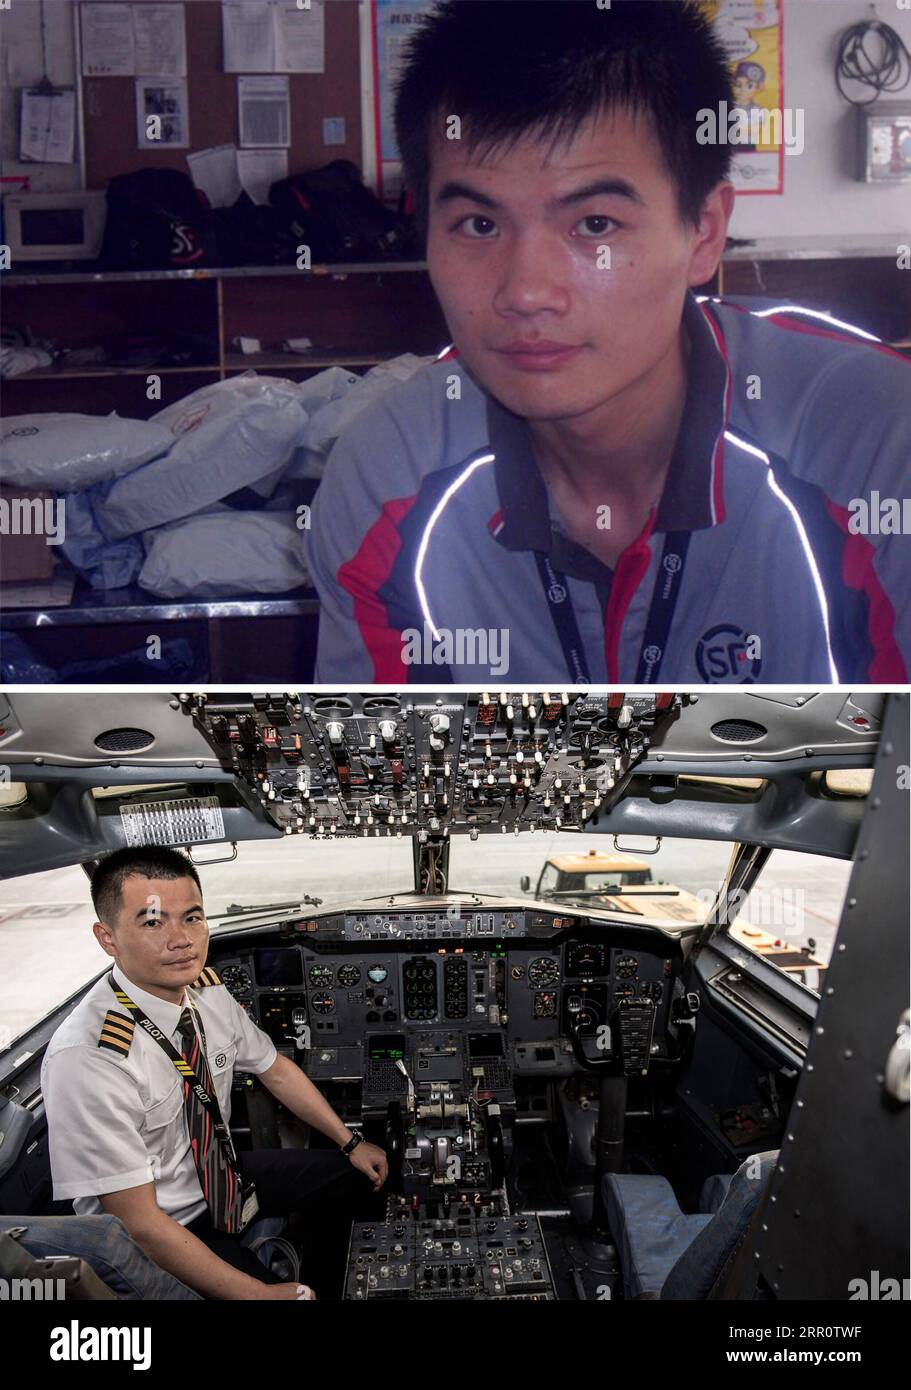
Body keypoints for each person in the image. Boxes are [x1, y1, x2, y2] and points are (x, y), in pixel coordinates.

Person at [306, 0, 909, 685]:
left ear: (704, 232)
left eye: (594, 223)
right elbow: (388, 782)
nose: (525, 292)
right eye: (478, 225)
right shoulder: (385, 481)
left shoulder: (874, 445)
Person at [41, 846, 388, 1300]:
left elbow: (276, 1070)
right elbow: (139, 1225)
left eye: (192, 917)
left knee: (361, 1177)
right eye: (152, 922)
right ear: (107, 938)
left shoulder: (206, 993)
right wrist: (259, 1295)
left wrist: (352, 1142)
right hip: (167, 1224)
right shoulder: (90, 1058)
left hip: (221, 1177)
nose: (181, 939)